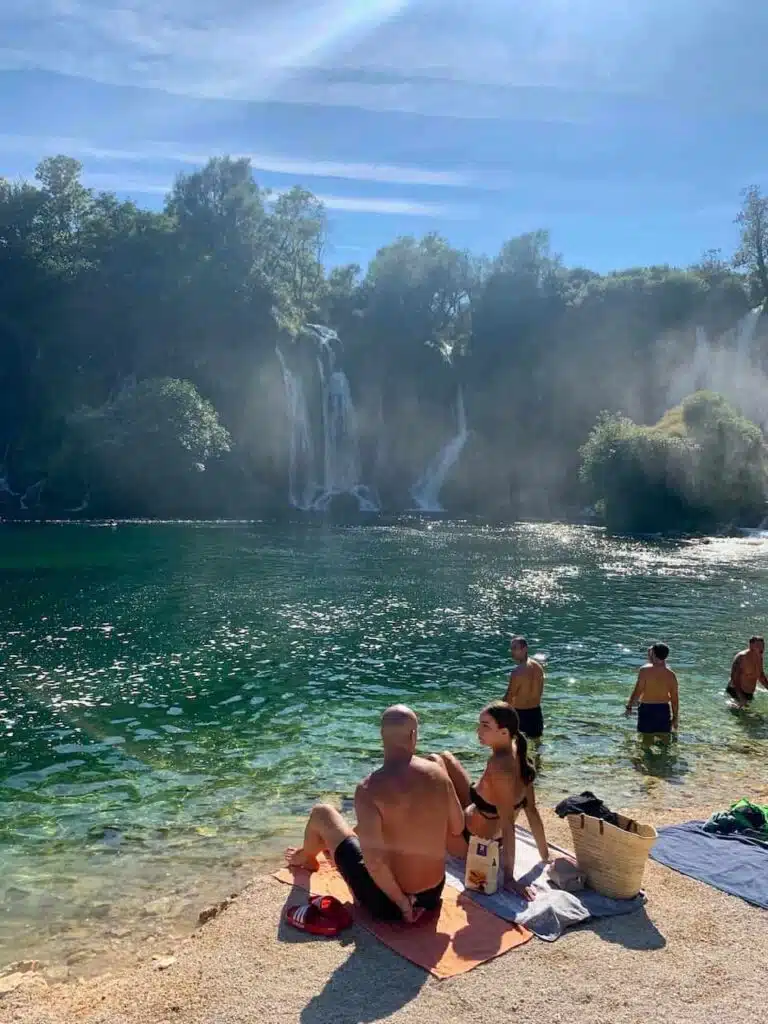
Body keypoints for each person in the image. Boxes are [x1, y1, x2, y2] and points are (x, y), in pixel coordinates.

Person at [286, 705, 464, 924]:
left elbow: (376, 864)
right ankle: (322, 851)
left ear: (381, 735)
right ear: (414, 735)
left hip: (389, 904)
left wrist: (403, 904)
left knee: (322, 813)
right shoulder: (438, 774)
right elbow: (457, 826)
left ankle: (307, 858)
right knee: (371, 834)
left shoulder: (369, 789)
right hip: (432, 895)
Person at [429, 701, 549, 901]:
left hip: (470, 841)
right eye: (479, 724)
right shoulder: (517, 748)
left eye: (485, 726)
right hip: (478, 815)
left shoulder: (499, 767)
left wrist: (509, 878)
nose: (478, 730)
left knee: (433, 765)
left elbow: (508, 824)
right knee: (444, 757)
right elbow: (532, 811)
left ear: (503, 732)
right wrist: (545, 856)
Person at [625, 643, 679, 734]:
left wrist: (629, 706)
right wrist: (675, 718)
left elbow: (638, 691)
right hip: (663, 710)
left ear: (653, 654)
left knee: (645, 741)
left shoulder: (644, 671)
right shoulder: (671, 674)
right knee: (664, 742)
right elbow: (675, 699)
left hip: (647, 709)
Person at [504, 636, 545, 739]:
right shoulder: (538, 667)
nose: (512, 651)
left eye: (515, 648)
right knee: (537, 745)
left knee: (518, 748)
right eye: (511, 648)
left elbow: (509, 697)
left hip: (520, 715)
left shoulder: (517, 672)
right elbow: (540, 692)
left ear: (525, 649)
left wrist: (497, 712)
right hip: (536, 714)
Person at [726, 636, 768, 708]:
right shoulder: (742, 657)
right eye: (758, 645)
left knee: (750, 715)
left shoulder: (759, 656)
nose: (761, 648)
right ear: (751, 645)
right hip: (736, 692)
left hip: (749, 693)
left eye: (763, 646)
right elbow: (734, 678)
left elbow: (760, 675)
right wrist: (741, 696)